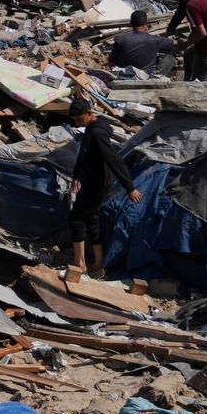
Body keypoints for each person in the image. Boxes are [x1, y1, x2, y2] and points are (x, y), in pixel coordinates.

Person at [65, 96, 141, 279]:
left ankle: (80, 263)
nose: (77, 123)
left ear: (90, 114)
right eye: (75, 121)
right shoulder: (91, 129)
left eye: (79, 119)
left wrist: (129, 187)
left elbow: (114, 159)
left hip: (98, 184)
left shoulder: (98, 133)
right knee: (91, 219)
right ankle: (98, 262)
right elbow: (84, 155)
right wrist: (77, 176)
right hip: (91, 181)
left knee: (76, 218)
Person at [108, 10, 176, 73]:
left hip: (126, 75)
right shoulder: (155, 39)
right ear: (145, 23)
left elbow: (111, 62)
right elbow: (174, 43)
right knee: (170, 59)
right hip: (147, 78)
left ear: (131, 24)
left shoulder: (120, 39)